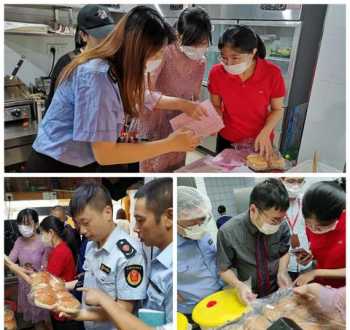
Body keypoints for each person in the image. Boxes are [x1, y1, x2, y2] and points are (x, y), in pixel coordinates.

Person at [27, 5, 200, 173]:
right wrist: (170, 144)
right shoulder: (98, 75)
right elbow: (106, 154)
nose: (159, 59)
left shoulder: (118, 67)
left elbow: (141, 96)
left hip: (80, 162)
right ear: (138, 50)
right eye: (156, 53)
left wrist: (184, 104)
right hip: (56, 164)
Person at [59, 178, 173, 329]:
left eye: (86, 223)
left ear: (107, 212)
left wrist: (81, 314)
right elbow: (90, 278)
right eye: (78, 225)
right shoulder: (91, 245)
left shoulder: (128, 254)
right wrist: (62, 286)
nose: (82, 231)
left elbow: (125, 309)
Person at [137, 6, 212, 172]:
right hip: (155, 126)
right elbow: (144, 96)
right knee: (155, 179)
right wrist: (182, 104)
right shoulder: (163, 52)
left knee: (176, 172)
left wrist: (203, 124)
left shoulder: (200, 61)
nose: (198, 48)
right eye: (193, 43)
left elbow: (194, 98)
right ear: (179, 35)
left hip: (180, 126)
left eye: (203, 43)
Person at [208, 25, 285, 158]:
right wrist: (215, 119)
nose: (229, 64)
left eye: (235, 58)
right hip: (227, 138)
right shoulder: (216, 73)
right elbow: (215, 105)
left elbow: (277, 109)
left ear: (253, 52)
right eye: (224, 58)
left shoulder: (272, 73)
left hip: (260, 139)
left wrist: (266, 132)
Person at [216, 179, 291, 305]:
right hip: (249, 295)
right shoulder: (228, 232)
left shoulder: (282, 226)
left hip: (276, 291)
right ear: (253, 210)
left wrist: (282, 271)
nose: (279, 223)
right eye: (274, 220)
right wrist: (238, 285)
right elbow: (223, 269)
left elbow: (284, 252)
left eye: (282, 218)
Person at [45, 5, 115, 111]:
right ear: (83, 35)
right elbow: (54, 109)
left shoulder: (111, 62)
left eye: (109, 34)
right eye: (99, 35)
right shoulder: (68, 63)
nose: (106, 40)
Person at [177, 186, 223, 327]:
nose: (199, 225)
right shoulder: (169, 246)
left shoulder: (202, 233)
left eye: (202, 219)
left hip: (220, 299)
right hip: (194, 310)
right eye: (193, 221)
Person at [294, 181, 346, 288]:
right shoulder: (312, 220)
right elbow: (320, 248)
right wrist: (309, 256)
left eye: (319, 228)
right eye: (308, 224)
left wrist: (316, 273)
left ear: (340, 215)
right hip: (321, 285)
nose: (313, 230)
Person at [7, 209, 50, 330]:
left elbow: (47, 266)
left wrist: (36, 271)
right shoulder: (19, 241)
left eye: (27, 223)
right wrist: (21, 268)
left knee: (44, 320)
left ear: (36, 224)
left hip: (39, 287)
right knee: (35, 321)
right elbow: (10, 260)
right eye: (21, 224)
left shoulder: (44, 240)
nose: (23, 227)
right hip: (25, 287)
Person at [281, 177, 312, 281]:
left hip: (305, 257)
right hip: (283, 263)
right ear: (281, 180)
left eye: (300, 181)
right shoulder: (275, 202)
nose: (296, 185)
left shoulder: (307, 201)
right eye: (291, 181)